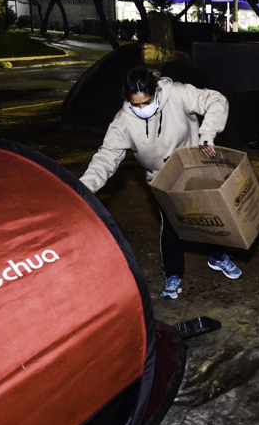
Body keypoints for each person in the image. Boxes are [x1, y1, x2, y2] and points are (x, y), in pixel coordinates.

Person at [80, 68, 242, 299]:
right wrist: (85, 187)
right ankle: (173, 275)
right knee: (172, 224)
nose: (142, 109)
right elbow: (106, 158)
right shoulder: (123, 122)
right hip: (161, 177)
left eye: (146, 102)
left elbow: (216, 99)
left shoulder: (176, 93)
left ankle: (218, 256)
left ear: (156, 91)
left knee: (209, 212)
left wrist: (207, 133)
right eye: (136, 105)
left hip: (192, 166)